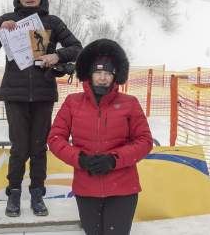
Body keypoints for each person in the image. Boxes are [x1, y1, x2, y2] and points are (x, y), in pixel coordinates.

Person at [0, 0, 82, 217]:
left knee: (38, 148)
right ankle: (13, 194)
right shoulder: (7, 19)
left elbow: (77, 48)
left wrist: (57, 55)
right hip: (14, 94)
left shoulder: (52, 22)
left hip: (43, 93)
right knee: (19, 148)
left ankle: (38, 195)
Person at [47, 39, 153, 235]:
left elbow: (144, 141)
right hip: (86, 189)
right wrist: (80, 159)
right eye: (98, 73)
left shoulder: (130, 103)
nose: (103, 78)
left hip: (123, 189)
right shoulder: (72, 103)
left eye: (108, 73)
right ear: (90, 74)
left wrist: (114, 160)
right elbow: (55, 139)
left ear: (116, 76)